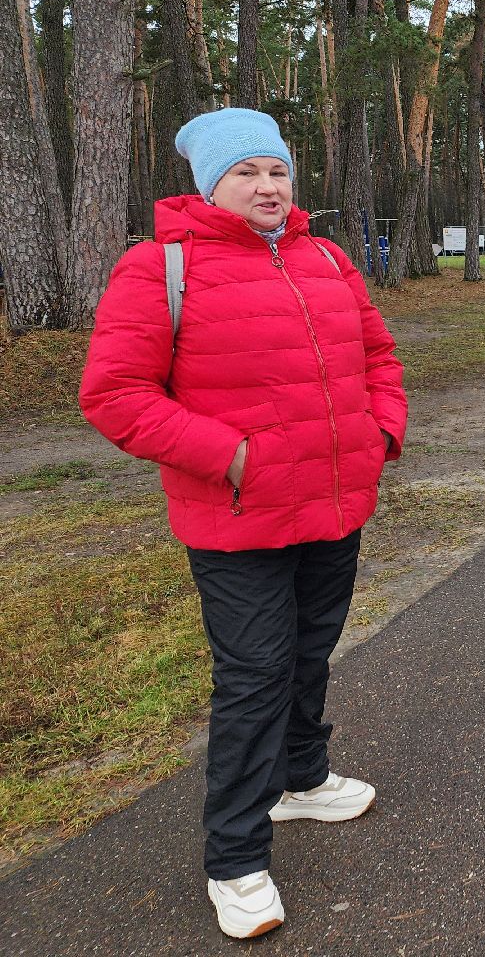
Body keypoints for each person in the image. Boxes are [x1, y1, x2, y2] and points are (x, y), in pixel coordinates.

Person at [78, 108, 408, 940]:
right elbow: (114, 396)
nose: (268, 187)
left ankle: (302, 779)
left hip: (334, 505)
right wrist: (232, 458)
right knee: (255, 676)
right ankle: (235, 858)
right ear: (209, 184)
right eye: (247, 174)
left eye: (278, 172)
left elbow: (378, 355)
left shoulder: (327, 258)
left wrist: (383, 432)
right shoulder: (159, 268)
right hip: (237, 521)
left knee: (308, 654)